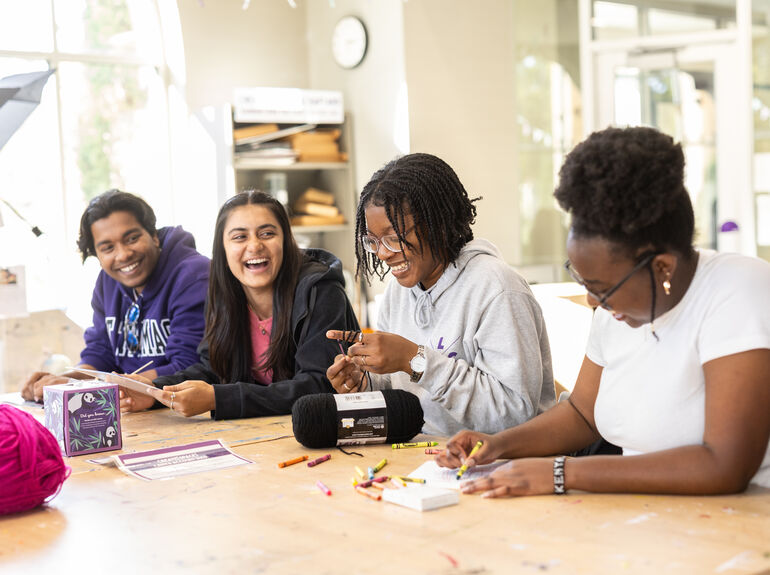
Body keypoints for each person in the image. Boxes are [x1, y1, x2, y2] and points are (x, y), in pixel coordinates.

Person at [438, 126, 770, 496]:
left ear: (662, 267)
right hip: (642, 520)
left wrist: (562, 473)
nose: (593, 302)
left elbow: (724, 465)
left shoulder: (740, 291)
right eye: (584, 283)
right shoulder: (619, 311)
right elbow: (583, 413)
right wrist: (499, 444)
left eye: (602, 289)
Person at [325, 153, 555, 437]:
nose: (383, 253)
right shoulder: (398, 293)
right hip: (423, 458)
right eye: (372, 241)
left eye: (395, 237)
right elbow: (407, 397)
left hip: (499, 465)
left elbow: (513, 416)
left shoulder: (498, 289)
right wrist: (366, 384)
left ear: (440, 223)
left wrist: (415, 360)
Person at [121, 190, 359, 419]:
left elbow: (318, 385)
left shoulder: (320, 289)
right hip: (263, 435)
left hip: (327, 431)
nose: (254, 245)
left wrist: (219, 399)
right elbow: (213, 369)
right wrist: (153, 391)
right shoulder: (224, 294)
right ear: (223, 249)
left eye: (267, 233)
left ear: (286, 241)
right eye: (239, 237)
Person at [20, 190, 209, 402]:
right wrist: (62, 382)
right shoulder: (107, 281)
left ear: (153, 236)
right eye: (107, 248)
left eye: (132, 238)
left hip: (179, 409)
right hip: (127, 405)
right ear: (97, 255)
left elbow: (189, 365)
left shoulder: (193, 275)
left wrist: (94, 387)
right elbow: (101, 352)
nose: (123, 254)